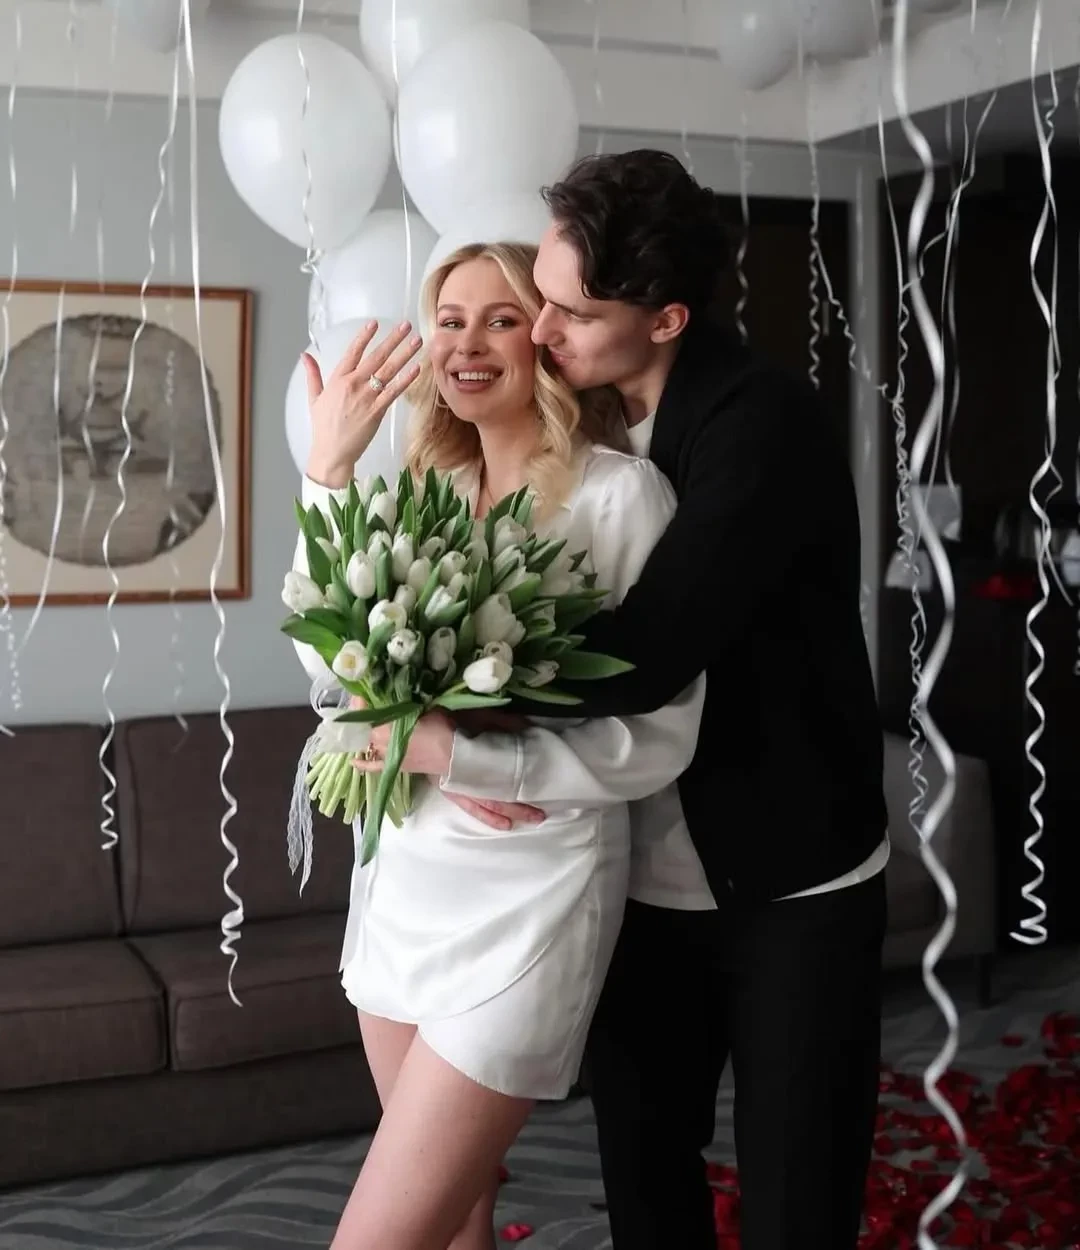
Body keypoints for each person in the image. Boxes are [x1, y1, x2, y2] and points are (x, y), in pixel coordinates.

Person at [433, 151, 890, 1250]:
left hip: (792, 875)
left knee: (796, 1199)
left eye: (574, 313)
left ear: (668, 318)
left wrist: (438, 689)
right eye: (543, 299)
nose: (543, 330)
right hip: (636, 873)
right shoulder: (579, 421)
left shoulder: (760, 421)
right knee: (644, 1181)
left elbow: (645, 655)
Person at [290, 240, 706, 1250]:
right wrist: (329, 471)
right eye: (450, 320)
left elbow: (660, 738)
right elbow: (327, 662)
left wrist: (467, 756)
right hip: (405, 881)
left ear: (547, 341)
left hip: (535, 891)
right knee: (455, 1222)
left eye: (501, 318)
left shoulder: (622, 497)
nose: (467, 343)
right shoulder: (419, 488)